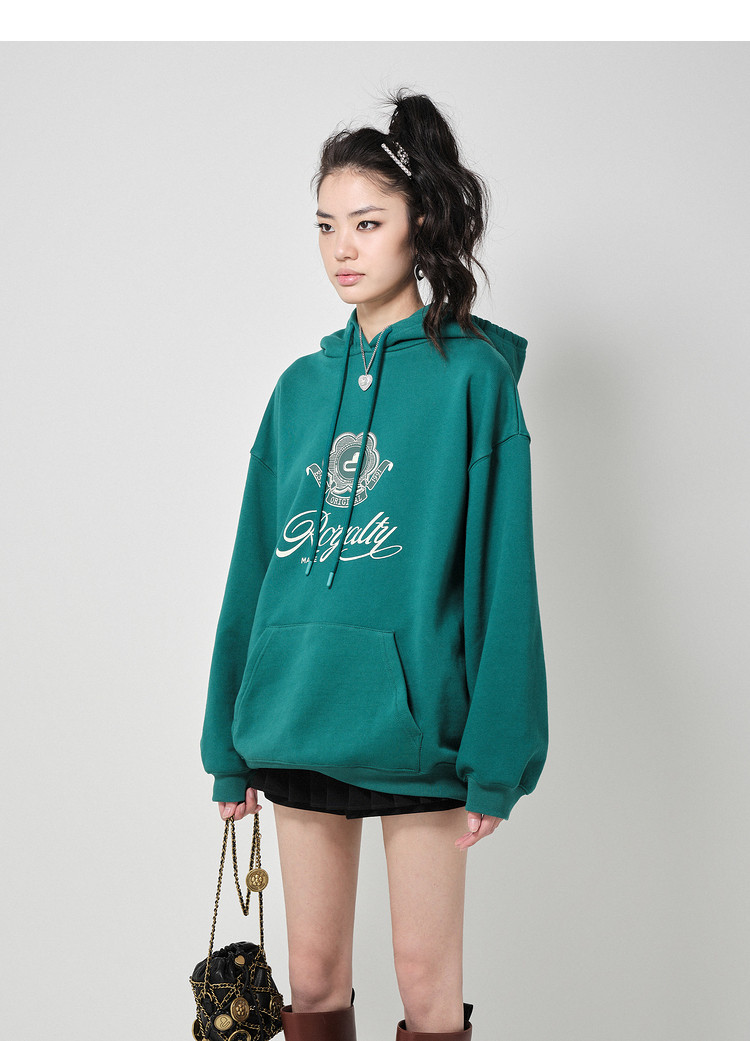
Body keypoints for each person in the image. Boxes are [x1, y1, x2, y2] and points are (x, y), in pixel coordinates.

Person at [199, 88, 548, 1041]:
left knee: (425, 980)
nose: (341, 249)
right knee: (312, 979)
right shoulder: (298, 389)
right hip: (297, 714)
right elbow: (253, 568)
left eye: (367, 222)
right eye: (325, 226)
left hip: (421, 731)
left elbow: (503, 579)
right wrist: (227, 743)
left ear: (420, 223)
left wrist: (497, 757)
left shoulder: (474, 380)